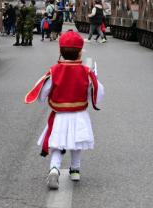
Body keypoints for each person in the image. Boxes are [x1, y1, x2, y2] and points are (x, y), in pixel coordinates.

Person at [25, 30, 104, 189]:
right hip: (79, 114)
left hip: (59, 115)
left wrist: (44, 99)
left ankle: (54, 169)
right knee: (77, 143)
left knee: (56, 144)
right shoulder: (86, 72)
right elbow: (96, 92)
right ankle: (75, 170)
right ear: (80, 52)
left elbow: (43, 91)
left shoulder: (54, 71)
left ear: (60, 51)